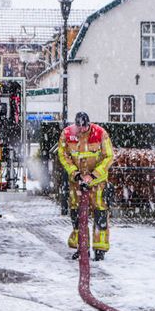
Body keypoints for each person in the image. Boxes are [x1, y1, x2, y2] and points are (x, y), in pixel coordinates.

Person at [57, 111, 114, 260]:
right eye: (79, 127)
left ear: (88, 124)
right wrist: (75, 173)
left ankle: (100, 249)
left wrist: (93, 175)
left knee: (100, 213)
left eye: (84, 127)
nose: (82, 130)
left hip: (98, 183)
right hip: (76, 183)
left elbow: (109, 157)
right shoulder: (67, 134)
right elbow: (63, 156)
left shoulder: (100, 133)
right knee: (77, 215)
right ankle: (82, 248)